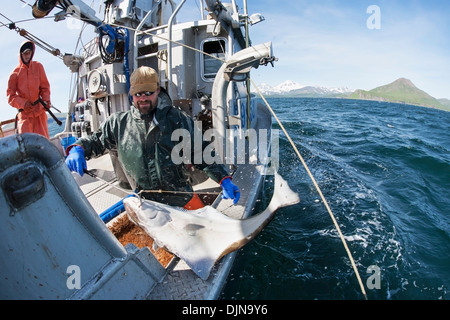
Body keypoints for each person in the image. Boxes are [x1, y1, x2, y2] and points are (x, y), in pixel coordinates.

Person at [65, 66, 240, 209]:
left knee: (204, 232)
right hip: (145, 203)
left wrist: (223, 178)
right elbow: (96, 141)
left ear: (157, 90)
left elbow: (200, 151)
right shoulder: (118, 123)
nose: (143, 98)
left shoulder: (176, 119)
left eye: (148, 92)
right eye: (138, 93)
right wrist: (78, 148)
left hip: (181, 197)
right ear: (131, 94)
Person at [7, 40, 51, 139]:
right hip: (24, 116)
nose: (27, 55)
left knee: (43, 142)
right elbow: (11, 96)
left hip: (39, 112)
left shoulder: (38, 67)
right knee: (27, 145)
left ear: (32, 53)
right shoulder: (14, 73)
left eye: (29, 53)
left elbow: (45, 88)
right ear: (20, 54)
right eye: (24, 53)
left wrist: (46, 100)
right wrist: (23, 103)